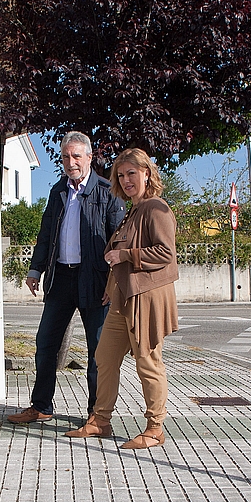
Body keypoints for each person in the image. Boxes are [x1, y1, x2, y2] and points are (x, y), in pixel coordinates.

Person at [8, 132, 125, 424]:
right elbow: (46, 233)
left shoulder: (107, 191)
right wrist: (36, 269)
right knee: (46, 341)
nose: (70, 162)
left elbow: (119, 240)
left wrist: (114, 281)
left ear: (89, 157)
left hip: (95, 281)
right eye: (65, 157)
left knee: (98, 350)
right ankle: (41, 407)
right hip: (60, 278)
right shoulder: (58, 190)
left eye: (76, 156)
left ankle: (97, 416)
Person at [65, 148, 178, 449]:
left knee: (148, 362)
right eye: (121, 175)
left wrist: (125, 254)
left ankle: (155, 428)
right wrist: (111, 285)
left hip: (145, 298)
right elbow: (117, 259)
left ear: (146, 174)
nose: (126, 180)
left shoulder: (157, 209)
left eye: (132, 173)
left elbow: (166, 254)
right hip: (122, 298)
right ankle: (101, 421)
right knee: (104, 358)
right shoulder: (133, 211)